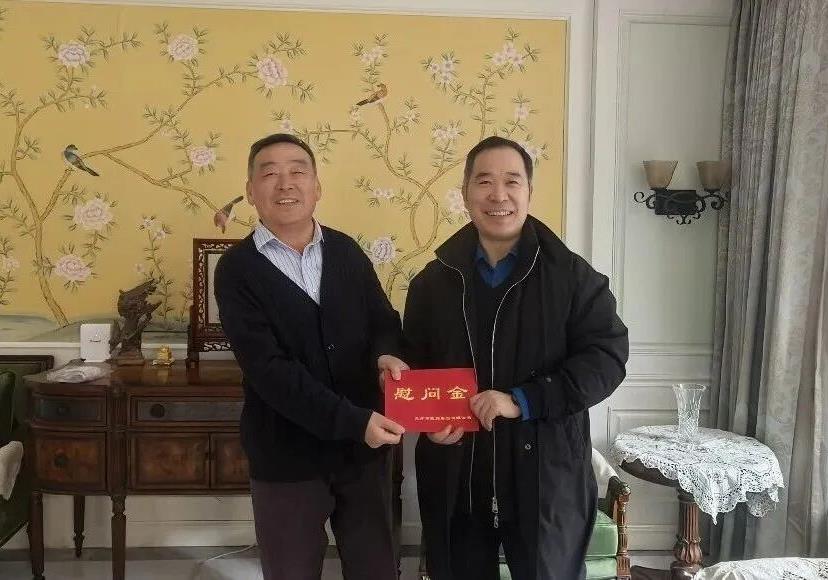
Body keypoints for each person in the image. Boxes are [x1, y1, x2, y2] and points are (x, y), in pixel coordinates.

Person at [404, 136, 629, 579]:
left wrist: (523, 399)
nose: (498, 195)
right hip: (457, 475)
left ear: (529, 191)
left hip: (547, 474)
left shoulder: (572, 277)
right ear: (465, 192)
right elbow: (415, 363)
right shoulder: (433, 282)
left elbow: (607, 358)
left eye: (512, 181)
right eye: (484, 182)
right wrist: (428, 420)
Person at [215, 133, 408, 580]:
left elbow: (383, 320)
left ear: (317, 187)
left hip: (363, 452)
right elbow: (268, 371)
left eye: (298, 171)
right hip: (286, 456)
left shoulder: (346, 252)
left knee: (376, 569)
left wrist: (385, 356)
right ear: (250, 192)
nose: (286, 184)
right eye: (270, 173)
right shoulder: (237, 270)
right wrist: (353, 421)